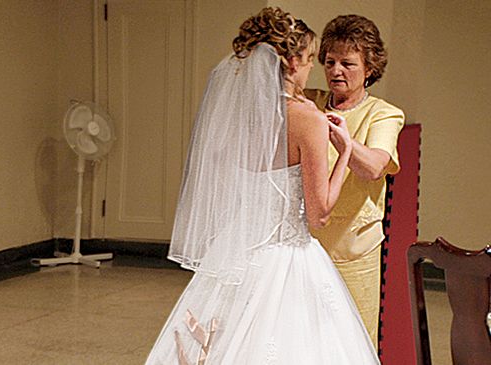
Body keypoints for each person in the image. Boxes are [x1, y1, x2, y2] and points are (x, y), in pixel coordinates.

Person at [146, 8, 379, 364]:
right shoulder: (308, 120)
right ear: (290, 62)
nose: (312, 69)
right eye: (309, 60)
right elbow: (319, 214)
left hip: (238, 251)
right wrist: (345, 150)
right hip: (289, 256)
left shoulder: (242, 114)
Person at [304, 15, 405, 348]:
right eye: (330, 62)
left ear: (370, 67)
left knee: (351, 345)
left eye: (347, 63)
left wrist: (343, 142)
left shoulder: (384, 113)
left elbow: (375, 167)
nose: (336, 71)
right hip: (305, 248)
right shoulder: (311, 103)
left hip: (354, 251)